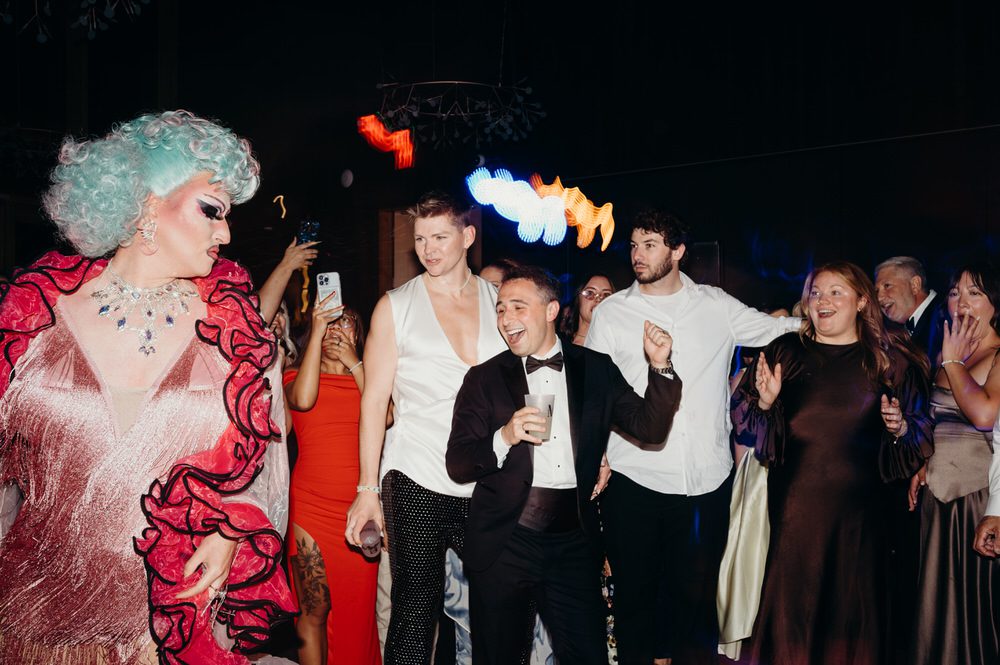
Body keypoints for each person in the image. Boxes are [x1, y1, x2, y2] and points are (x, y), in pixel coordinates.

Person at [0, 110, 295, 663]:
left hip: (166, 627)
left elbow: (266, 479)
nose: (226, 233)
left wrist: (230, 533)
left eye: (227, 217)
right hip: (32, 625)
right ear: (148, 204)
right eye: (212, 210)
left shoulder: (237, 330)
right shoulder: (34, 315)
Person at [585, 209, 800, 665]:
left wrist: (828, 320)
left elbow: (776, 329)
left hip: (705, 481)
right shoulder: (612, 314)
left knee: (694, 601)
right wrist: (598, 455)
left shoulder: (716, 306)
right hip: (634, 476)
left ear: (678, 251)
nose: (637, 255)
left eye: (650, 245)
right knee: (635, 600)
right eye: (634, 245)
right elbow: (593, 393)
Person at [446, 265, 682, 664]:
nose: (506, 319)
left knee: (587, 655)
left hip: (573, 541)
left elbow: (650, 428)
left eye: (518, 307)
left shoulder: (597, 369)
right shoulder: (483, 379)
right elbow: (459, 462)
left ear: (552, 310)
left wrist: (660, 366)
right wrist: (504, 436)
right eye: (501, 309)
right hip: (506, 541)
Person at [731, 261, 932, 665]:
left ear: (861, 301)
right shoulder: (785, 352)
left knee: (852, 614)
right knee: (793, 610)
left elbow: (918, 438)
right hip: (795, 510)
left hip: (861, 517)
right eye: (817, 292)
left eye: (835, 292)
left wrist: (898, 428)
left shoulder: (888, 362)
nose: (822, 301)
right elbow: (747, 422)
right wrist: (767, 404)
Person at [346, 192, 506, 664]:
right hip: (415, 471)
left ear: (468, 236)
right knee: (416, 608)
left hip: (487, 474)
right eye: (420, 239)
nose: (429, 249)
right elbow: (375, 401)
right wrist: (367, 488)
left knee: (500, 605)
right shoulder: (395, 307)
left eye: (440, 237)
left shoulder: (500, 302)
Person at [910, 263, 1000, 665]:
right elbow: (941, 423)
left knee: (977, 611)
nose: (961, 302)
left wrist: (952, 364)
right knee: (936, 610)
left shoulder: (995, 355)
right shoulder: (949, 350)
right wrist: (924, 462)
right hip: (938, 500)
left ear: (995, 304)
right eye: (954, 292)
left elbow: (984, 415)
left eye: (975, 293)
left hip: (978, 501)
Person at [284, 298, 380, 665]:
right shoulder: (294, 374)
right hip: (311, 506)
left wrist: (356, 363)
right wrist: (319, 328)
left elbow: (385, 415)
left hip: (361, 507)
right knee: (314, 607)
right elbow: (304, 400)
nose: (337, 331)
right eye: (330, 323)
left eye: (347, 323)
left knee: (357, 612)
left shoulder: (369, 378)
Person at [875, 256, 943, 362]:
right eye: (877, 291)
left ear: (915, 285)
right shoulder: (892, 331)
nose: (879, 298)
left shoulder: (946, 316)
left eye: (887, 286)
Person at [558, 273, 615, 345]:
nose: (598, 300)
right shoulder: (559, 344)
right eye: (590, 293)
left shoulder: (618, 345)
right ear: (578, 299)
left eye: (606, 295)